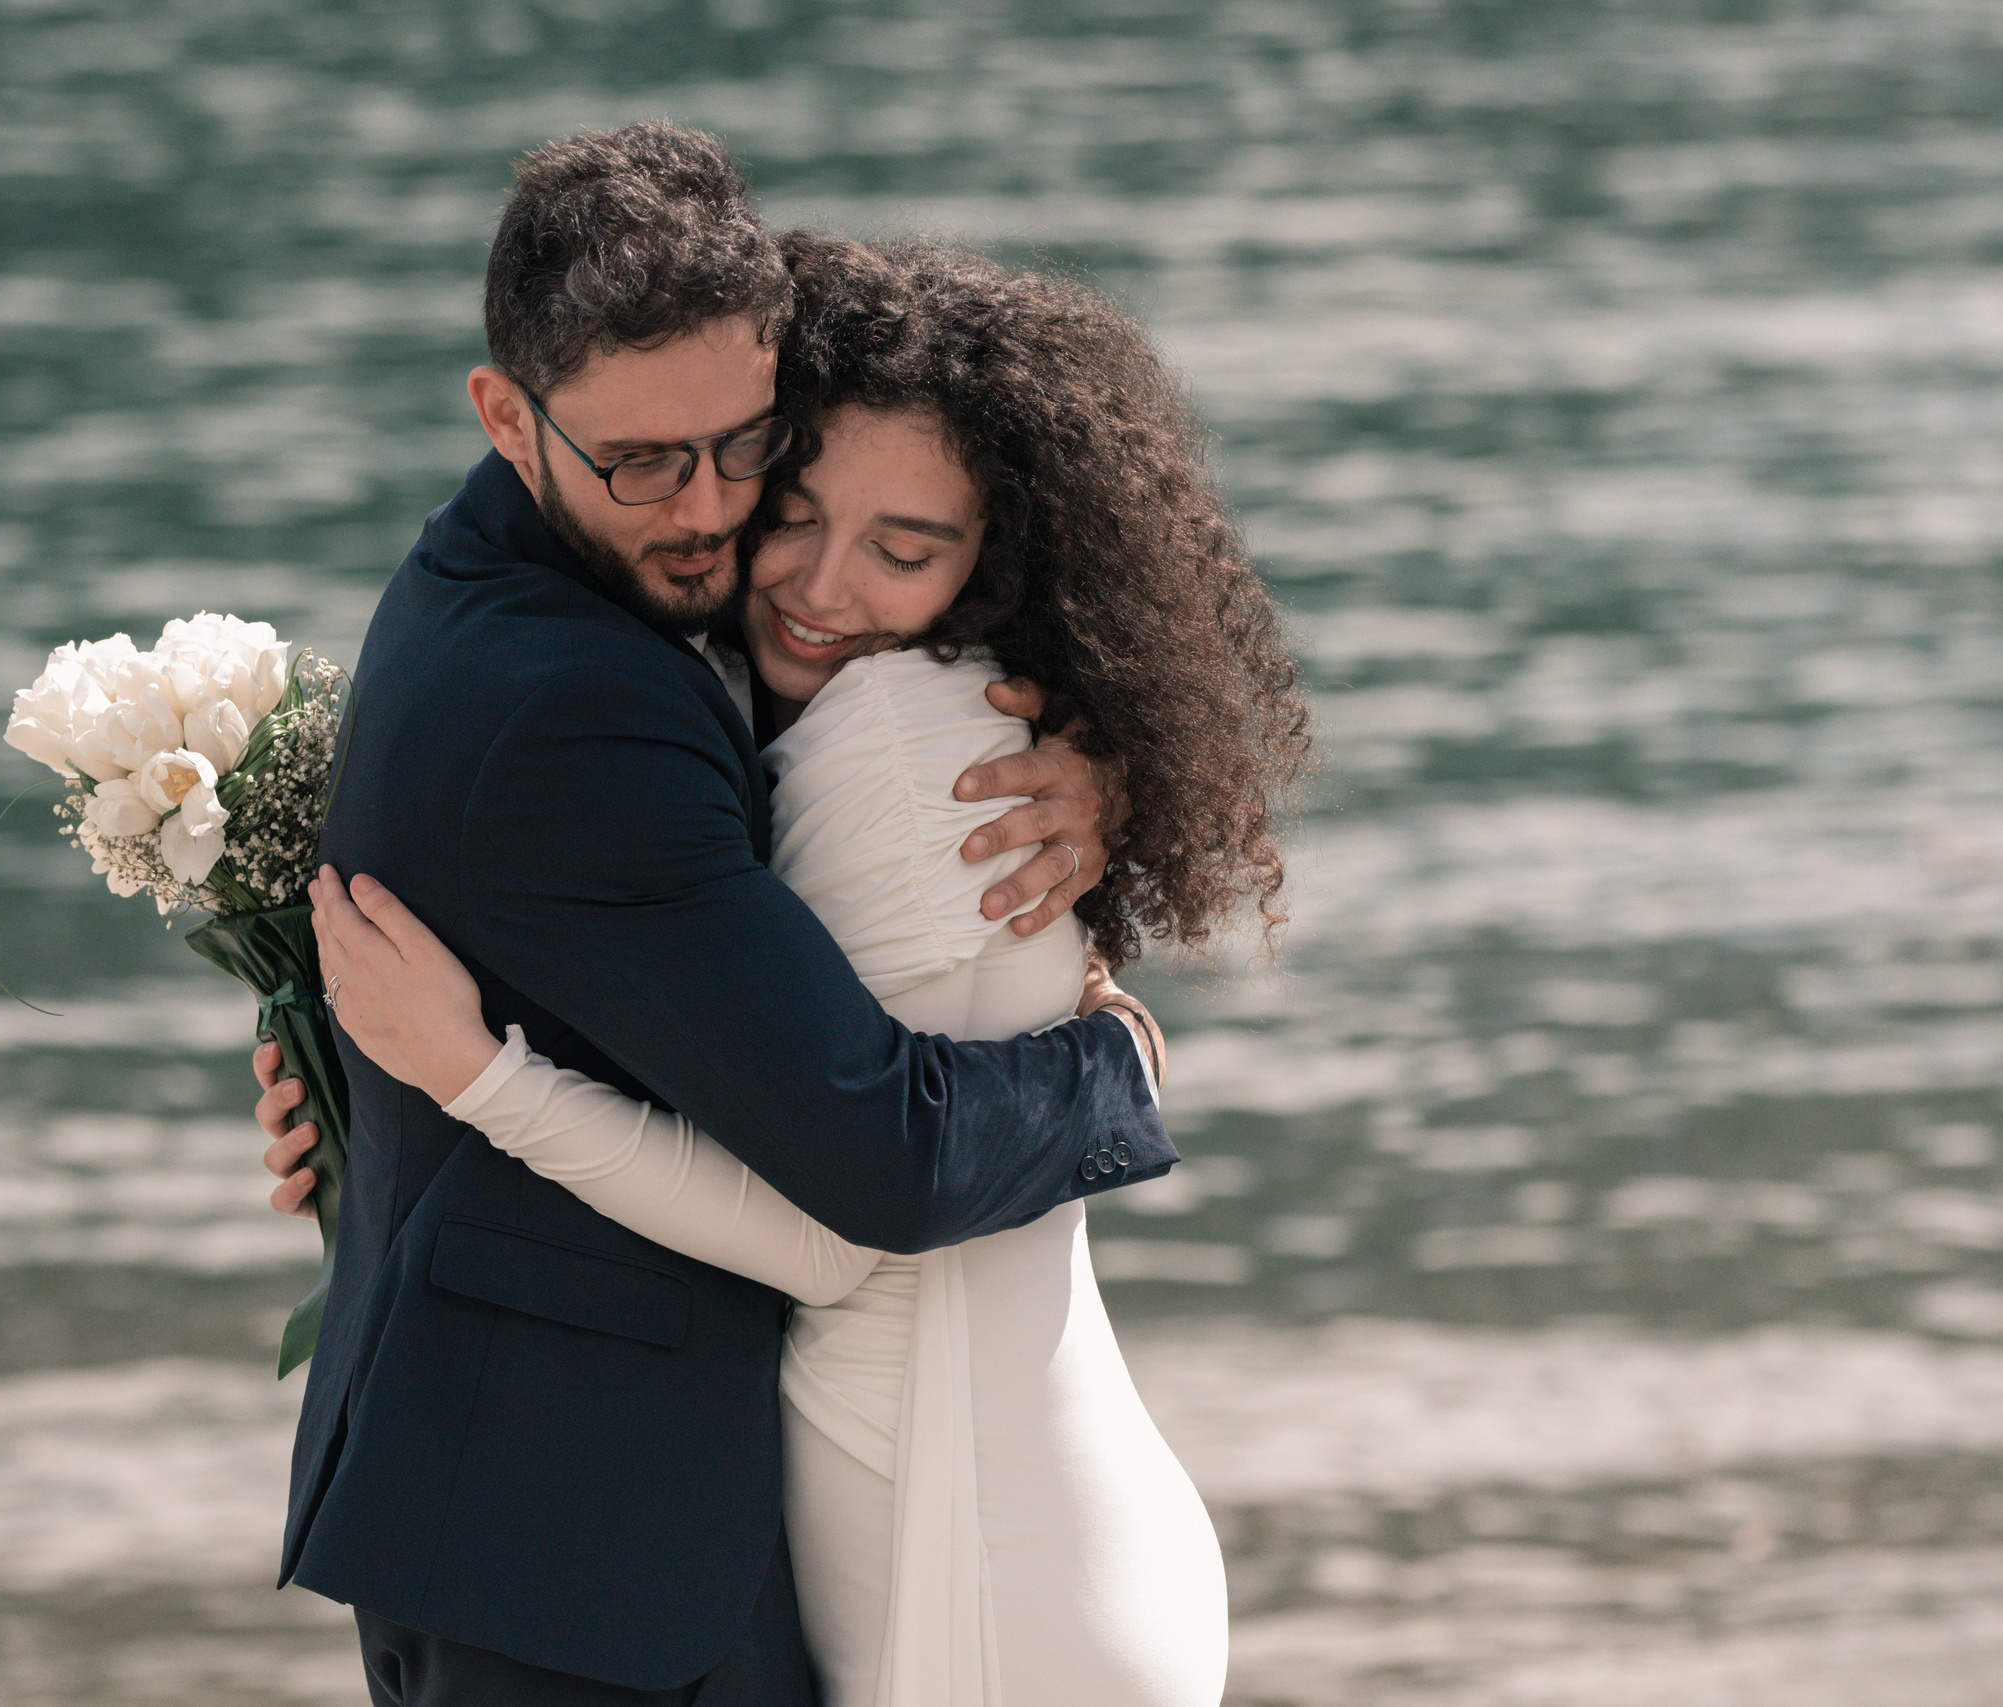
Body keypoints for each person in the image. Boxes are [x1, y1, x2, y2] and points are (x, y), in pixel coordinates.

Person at [304, 235, 1306, 1707]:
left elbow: (848, 1224)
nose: (816, 587)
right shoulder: (783, 697)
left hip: (970, 1545)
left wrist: (474, 1075)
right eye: (796, 509)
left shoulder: (900, 756)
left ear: (994, 568)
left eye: (905, 551)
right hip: (989, 1494)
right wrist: (337, 1075)